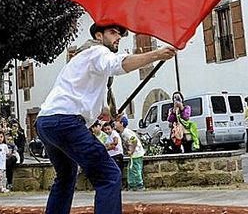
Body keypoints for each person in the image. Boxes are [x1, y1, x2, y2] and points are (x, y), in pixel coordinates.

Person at [35, 22, 177, 214]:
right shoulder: (97, 51)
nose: (117, 37)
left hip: (45, 122)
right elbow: (119, 64)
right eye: (112, 33)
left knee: (66, 175)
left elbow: (90, 101)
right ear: (99, 36)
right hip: (66, 122)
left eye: (119, 34)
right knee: (109, 175)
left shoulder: (81, 58)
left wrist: (109, 112)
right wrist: (157, 54)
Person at [114, 116, 145, 191]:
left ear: (121, 123)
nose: (115, 123)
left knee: (135, 169)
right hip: (135, 153)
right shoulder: (123, 133)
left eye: (117, 122)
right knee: (131, 169)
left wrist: (131, 150)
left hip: (136, 153)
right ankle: (133, 185)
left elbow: (134, 141)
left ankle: (138, 185)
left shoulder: (126, 132)